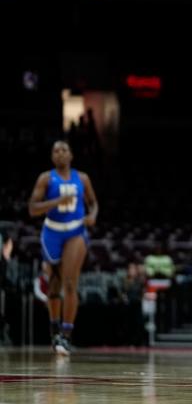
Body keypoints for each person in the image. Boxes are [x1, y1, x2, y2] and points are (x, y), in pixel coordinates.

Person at [28, 141, 99, 355]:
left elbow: (93, 202)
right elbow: (32, 208)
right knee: (54, 285)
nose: (60, 154)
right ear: (52, 157)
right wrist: (57, 200)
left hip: (75, 231)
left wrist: (92, 216)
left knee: (69, 282)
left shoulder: (83, 178)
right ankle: (54, 330)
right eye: (56, 151)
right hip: (52, 231)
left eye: (64, 150)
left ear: (71, 155)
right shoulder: (46, 178)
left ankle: (66, 336)